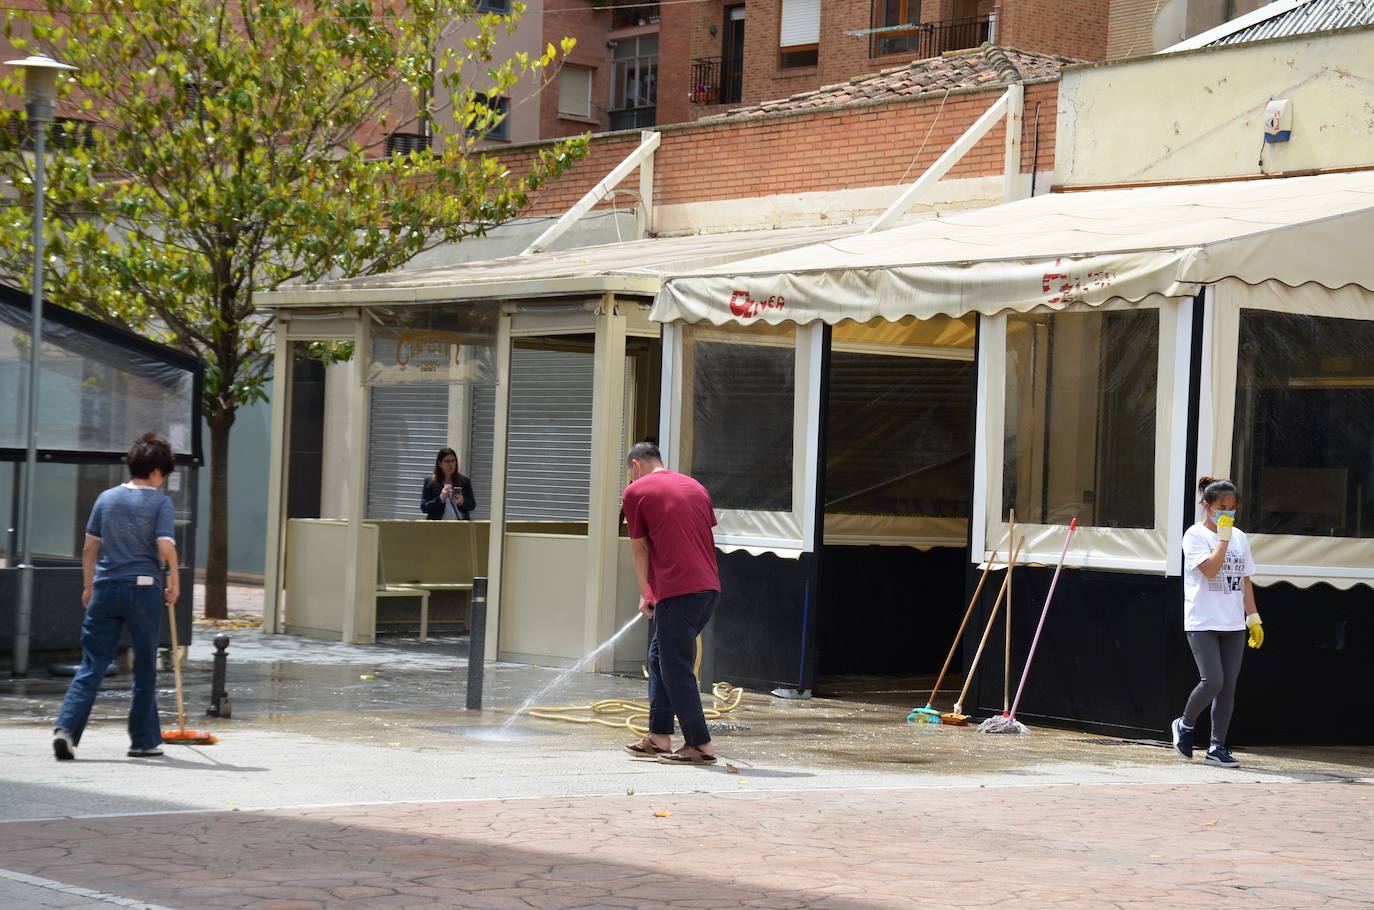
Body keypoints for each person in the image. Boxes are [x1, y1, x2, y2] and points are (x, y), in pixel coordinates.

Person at [52, 432, 180, 761]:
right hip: (143, 589)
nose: (163, 482)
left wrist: (89, 586)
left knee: (92, 664)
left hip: (105, 588)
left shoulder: (105, 498)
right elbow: (165, 547)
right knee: (144, 668)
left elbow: (89, 547)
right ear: (155, 472)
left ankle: (66, 729)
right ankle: (142, 741)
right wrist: (175, 581)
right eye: (163, 475)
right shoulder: (160, 502)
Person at [620, 442, 721, 765]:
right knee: (659, 655)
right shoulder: (695, 487)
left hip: (678, 590)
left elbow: (640, 549)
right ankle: (660, 735)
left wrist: (647, 592)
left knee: (675, 666)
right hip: (708, 589)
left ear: (635, 466)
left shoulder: (636, 492)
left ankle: (700, 744)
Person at [1171, 476, 1264, 769]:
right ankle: (1184, 726)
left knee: (1228, 688)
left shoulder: (1240, 537)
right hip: (1202, 620)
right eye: (1222, 507)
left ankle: (1217, 746)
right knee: (1212, 680)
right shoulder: (1194, 536)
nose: (1227, 513)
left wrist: (1253, 617)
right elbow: (1210, 570)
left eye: (1232, 507)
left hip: (1232, 622)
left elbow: (1244, 579)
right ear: (1207, 506)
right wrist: (1222, 539)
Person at [421, 447, 476, 520]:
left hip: (460, 526)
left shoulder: (464, 481)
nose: (451, 464)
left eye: (453, 461)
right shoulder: (430, 482)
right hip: (439, 527)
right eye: (447, 461)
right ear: (440, 464)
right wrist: (440, 498)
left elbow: (472, 505)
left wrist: (462, 500)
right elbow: (424, 507)